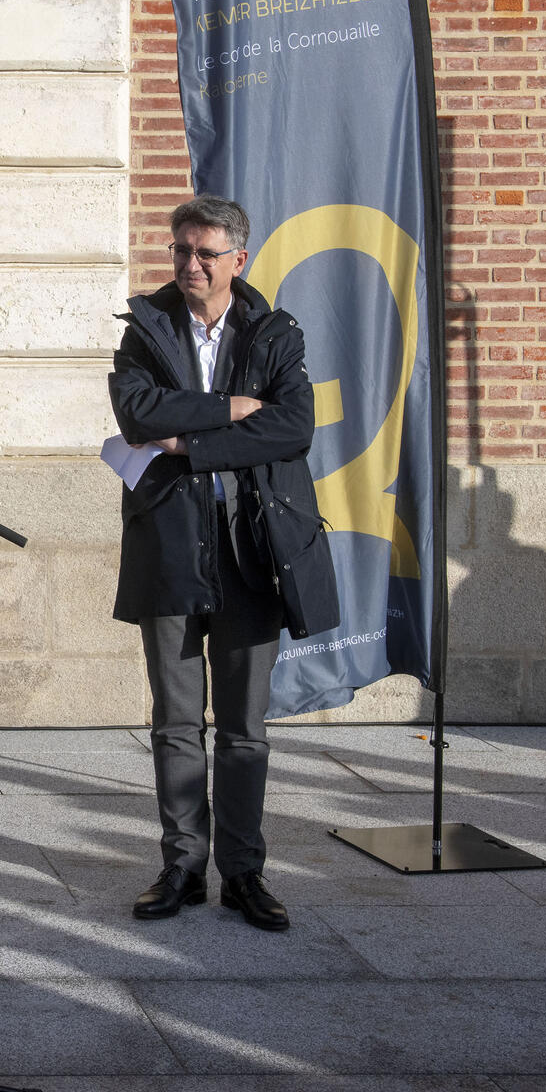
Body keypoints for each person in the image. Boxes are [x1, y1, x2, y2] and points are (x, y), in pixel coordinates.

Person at [110, 194, 338, 932]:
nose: (190, 265)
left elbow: (294, 427)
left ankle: (243, 871)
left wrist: (192, 443)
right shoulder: (145, 324)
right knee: (177, 722)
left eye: (206, 253)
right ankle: (181, 865)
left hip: (252, 552)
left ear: (239, 259)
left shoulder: (274, 332)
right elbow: (138, 414)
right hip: (171, 548)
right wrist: (230, 410)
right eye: (181, 250)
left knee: (244, 727)